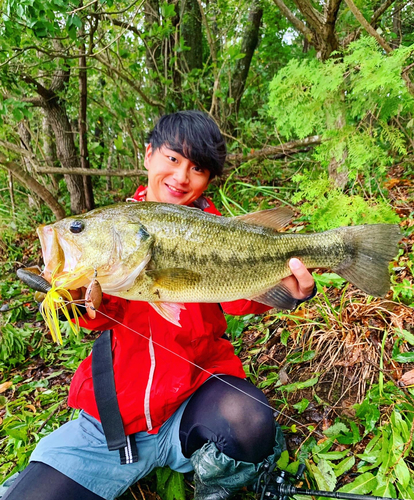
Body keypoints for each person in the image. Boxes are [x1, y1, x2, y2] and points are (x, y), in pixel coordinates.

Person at [2, 111, 315, 500]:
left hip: (197, 400)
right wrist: (71, 299)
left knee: (249, 419)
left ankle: (214, 481)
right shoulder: (115, 229)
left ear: (208, 179)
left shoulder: (219, 231)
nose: (181, 176)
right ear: (149, 154)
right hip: (112, 421)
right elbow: (96, 317)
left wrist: (291, 290)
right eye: (172, 158)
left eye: (197, 167)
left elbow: (237, 302)